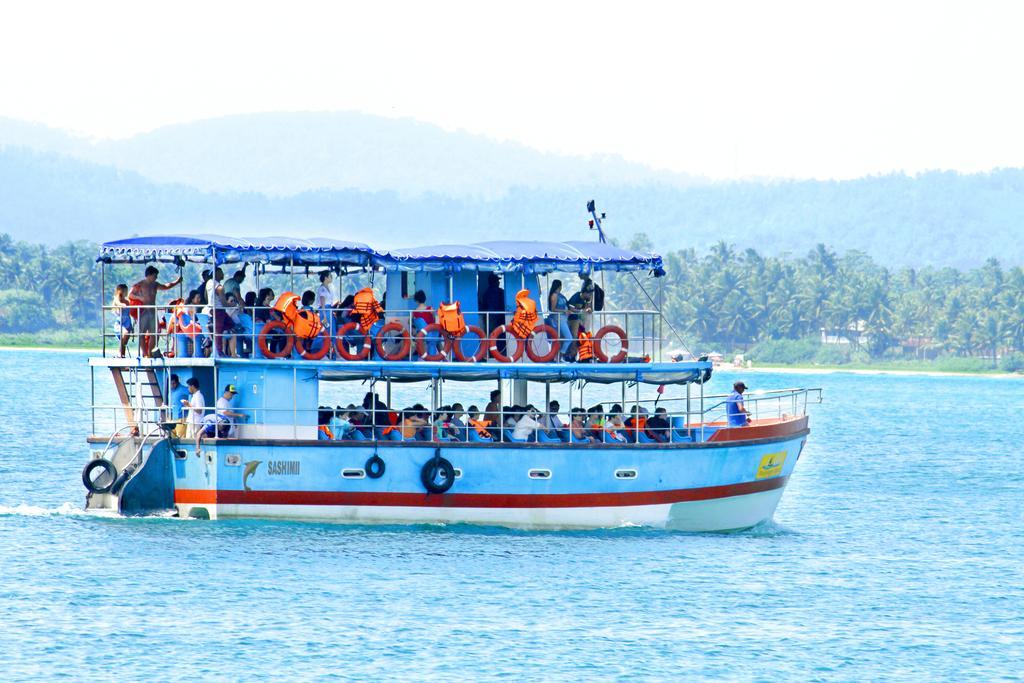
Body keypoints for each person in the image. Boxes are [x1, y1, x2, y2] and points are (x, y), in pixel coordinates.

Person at [130, 265, 183, 357]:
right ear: (149, 275)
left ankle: (150, 352)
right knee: (142, 333)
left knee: (155, 332)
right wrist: (140, 298)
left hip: (152, 311)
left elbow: (166, 286)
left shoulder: (155, 284)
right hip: (143, 312)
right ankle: (145, 354)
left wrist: (177, 282)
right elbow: (130, 295)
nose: (156, 278)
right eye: (155, 276)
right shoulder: (140, 284)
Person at [546, 279, 574, 361]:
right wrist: (565, 311)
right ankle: (559, 357)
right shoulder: (554, 295)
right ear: (559, 286)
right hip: (558, 319)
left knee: (558, 338)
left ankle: (555, 357)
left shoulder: (560, 295)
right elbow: (553, 309)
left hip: (564, 319)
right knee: (569, 338)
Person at [567, 279, 595, 357]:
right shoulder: (576, 296)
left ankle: (583, 355)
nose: (590, 295)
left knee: (583, 336)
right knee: (574, 337)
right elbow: (569, 307)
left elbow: (589, 308)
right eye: (589, 294)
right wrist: (579, 311)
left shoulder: (587, 299)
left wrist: (589, 309)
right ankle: (572, 355)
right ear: (584, 292)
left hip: (581, 321)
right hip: (573, 319)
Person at [480, 272, 506, 356]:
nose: (498, 282)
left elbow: (484, 305)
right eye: (497, 281)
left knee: (491, 336)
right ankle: (500, 353)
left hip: (489, 318)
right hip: (499, 319)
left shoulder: (486, 293)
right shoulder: (500, 292)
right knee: (499, 336)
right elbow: (503, 304)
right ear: (494, 282)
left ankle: (491, 354)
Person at [110, 283, 133, 357]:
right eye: (124, 291)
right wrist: (122, 305)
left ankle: (122, 355)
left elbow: (129, 313)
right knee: (124, 334)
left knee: (125, 341)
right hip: (120, 323)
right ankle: (119, 353)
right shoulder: (116, 299)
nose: (126, 292)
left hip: (127, 323)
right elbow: (117, 302)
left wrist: (131, 325)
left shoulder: (127, 301)